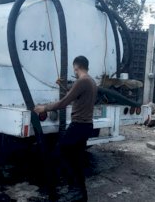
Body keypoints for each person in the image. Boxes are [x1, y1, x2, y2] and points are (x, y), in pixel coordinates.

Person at [34, 56, 97, 201]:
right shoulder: (91, 81)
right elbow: (74, 93)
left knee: (61, 154)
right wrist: (63, 86)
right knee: (76, 159)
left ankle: (74, 189)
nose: (74, 72)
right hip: (86, 125)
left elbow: (64, 102)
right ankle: (81, 193)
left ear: (76, 67)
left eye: (74, 69)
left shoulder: (82, 81)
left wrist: (44, 107)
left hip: (78, 126)